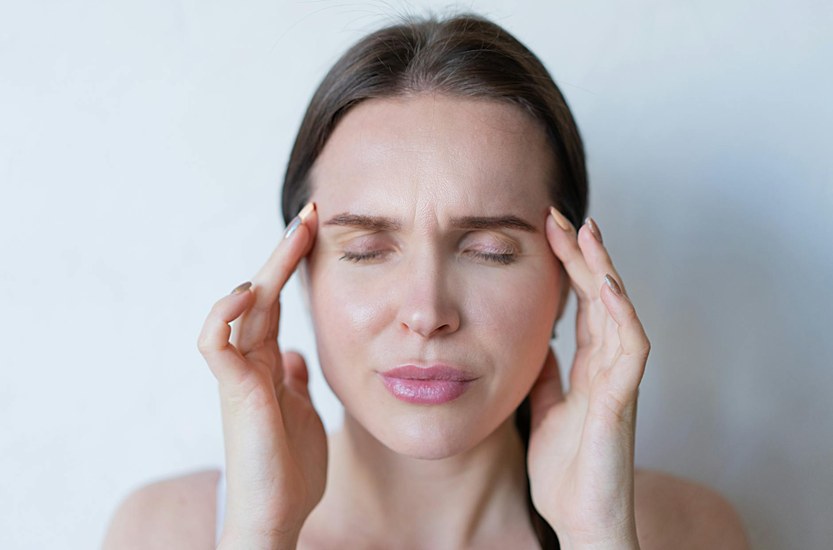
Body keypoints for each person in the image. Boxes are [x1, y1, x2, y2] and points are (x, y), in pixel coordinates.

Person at [103, 13, 749, 549]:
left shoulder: (689, 532)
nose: (425, 310)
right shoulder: (166, 531)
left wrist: (597, 533)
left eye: (490, 251)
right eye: (366, 251)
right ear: (299, 280)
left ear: (568, 286)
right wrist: (260, 533)